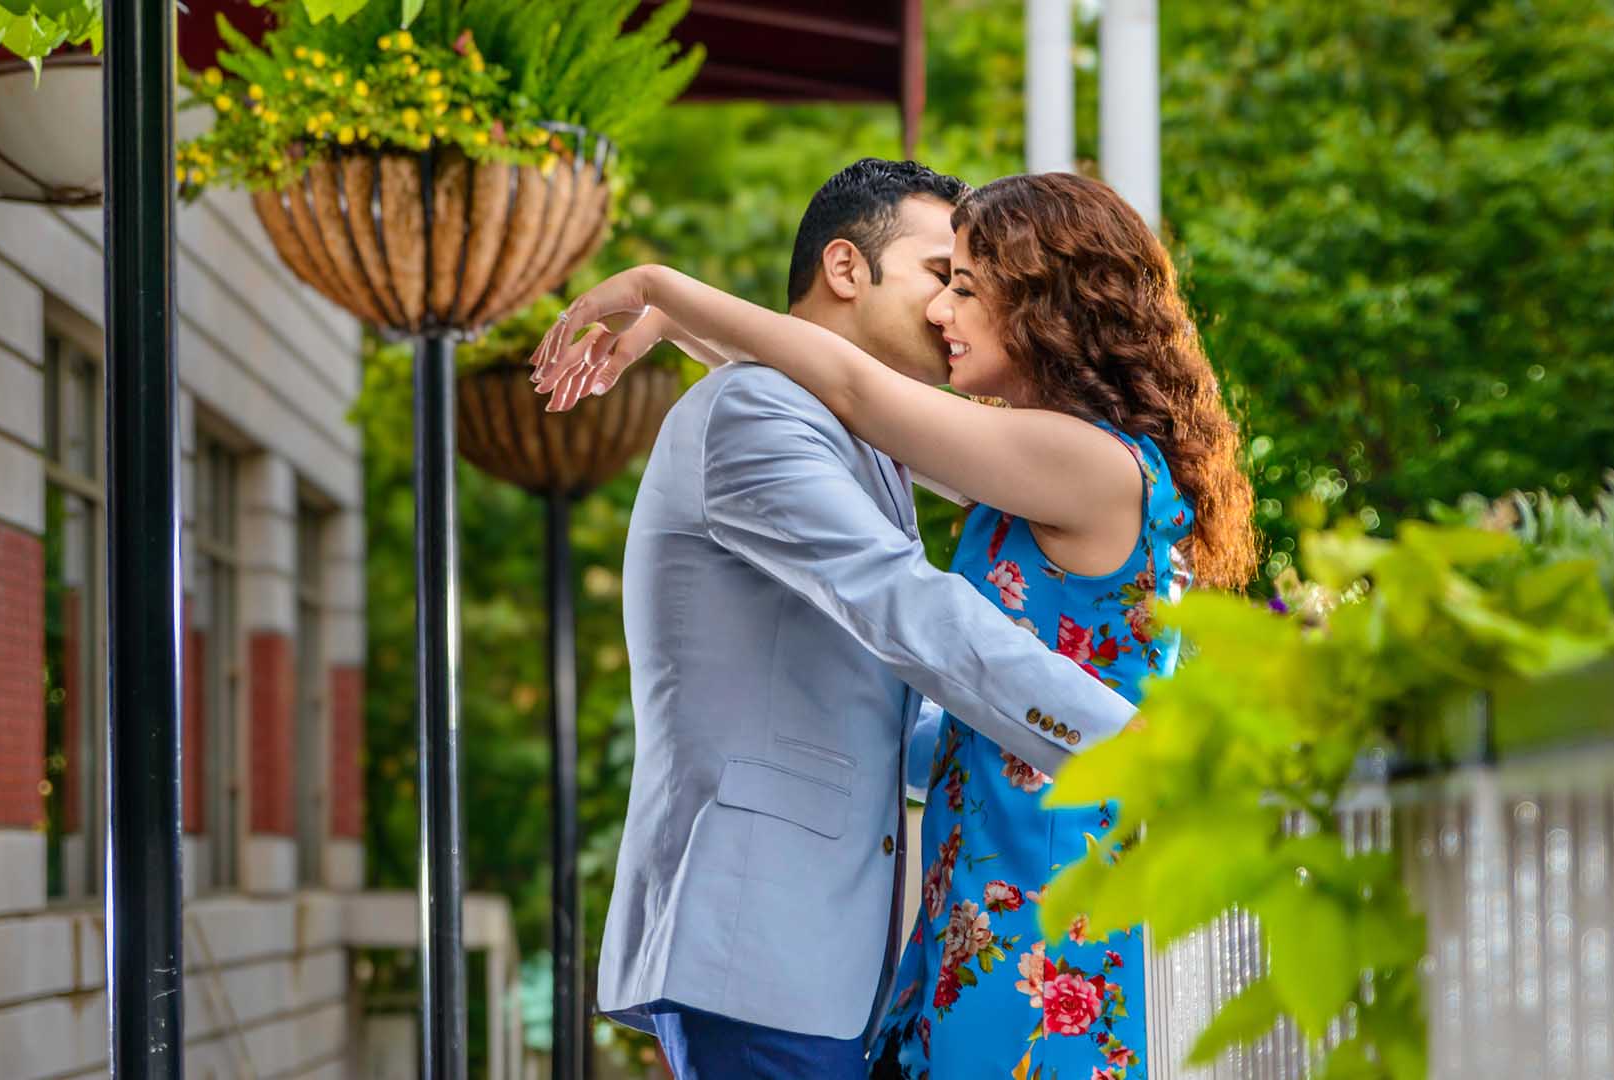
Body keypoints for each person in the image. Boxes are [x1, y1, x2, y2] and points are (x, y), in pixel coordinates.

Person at [532, 170, 1257, 1079]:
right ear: (847, 267)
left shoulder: (1054, 455)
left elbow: (859, 415)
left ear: (1036, 299)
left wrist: (670, 296)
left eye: (967, 281)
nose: (947, 306)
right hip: (798, 941)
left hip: (1024, 885)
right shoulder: (770, 414)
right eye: (938, 273)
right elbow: (903, 601)